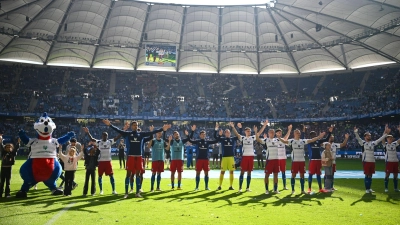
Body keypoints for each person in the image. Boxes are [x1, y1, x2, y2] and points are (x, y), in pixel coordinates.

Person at [103, 119, 169, 198]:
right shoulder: (128, 134)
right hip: (131, 157)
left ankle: (137, 192)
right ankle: (126, 193)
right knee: (128, 175)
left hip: (139, 157)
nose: (135, 126)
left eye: (136, 125)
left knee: (138, 175)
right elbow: (118, 130)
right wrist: (110, 125)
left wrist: (162, 129)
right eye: (134, 125)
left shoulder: (141, 134)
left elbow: (151, 133)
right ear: (131, 126)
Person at [279, 129, 325, 195]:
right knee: (293, 175)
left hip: (302, 161)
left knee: (302, 175)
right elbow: (284, 141)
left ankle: (302, 190)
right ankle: (293, 190)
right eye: (297, 133)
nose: (299, 134)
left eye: (299, 133)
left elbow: (311, 140)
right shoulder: (291, 141)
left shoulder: (303, 141)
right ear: (294, 134)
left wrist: (318, 137)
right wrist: (279, 137)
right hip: (295, 161)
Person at [83, 127, 120, 195]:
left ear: (107, 136)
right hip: (101, 161)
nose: (104, 136)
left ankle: (114, 190)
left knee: (111, 175)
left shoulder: (110, 142)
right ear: (102, 136)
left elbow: (117, 137)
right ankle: (101, 190)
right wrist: (88, 132)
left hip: (108, 161)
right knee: (100, 176)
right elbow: (92, 139)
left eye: (106, 135)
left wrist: (124, 130)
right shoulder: (99, 142)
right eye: (103, 135)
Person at [354, 125, 390, 193]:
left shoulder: (373, 143)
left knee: (370, 175)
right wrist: (356, 132)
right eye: (368, 135)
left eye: (370, 135)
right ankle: (367, 189)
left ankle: (369, 188)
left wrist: (386, 134)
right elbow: (358, 138)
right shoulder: (363, 143)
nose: (369, 136)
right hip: (366, 161)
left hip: (372, 161)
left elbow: (380, 139)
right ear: (365, 137)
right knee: (367, 174)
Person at [255, 121, 282, 194]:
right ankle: (267, 190)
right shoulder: (266, 140)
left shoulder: (277, 140)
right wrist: (256, 132)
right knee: (267, 175)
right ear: (268, 133)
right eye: (271, 132)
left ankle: (275, 189)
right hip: (269, 160)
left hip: (276, 160)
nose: (272, 133)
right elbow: (258, 139)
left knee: (276, 175)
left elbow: (285, 141)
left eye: (273, 132)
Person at [189, 125, 219, 190]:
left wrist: (216, 131)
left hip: (205, 159)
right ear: (200, 135)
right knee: (198, 173)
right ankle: (197, 187)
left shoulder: (207, 142)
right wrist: (192, 131)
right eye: (202, 134)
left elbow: (216, 141)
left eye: (204, 134)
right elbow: (190, 140)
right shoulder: (197, 141)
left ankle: (206, 187)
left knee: (206, 173)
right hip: (199, 159)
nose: (203, 135)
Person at [305, 125, 333, 194]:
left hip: (318, 160)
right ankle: (309, 189)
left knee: (318, 174)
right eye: (313, 135)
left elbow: (326, 140)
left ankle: (320, 189)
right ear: (311, 136)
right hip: (312, 160)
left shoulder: (318, 141)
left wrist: (329, 132)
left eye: (315, 134)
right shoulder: (309, 142)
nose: (315, 136)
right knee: (311, 174)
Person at [231, 122, 256, 192]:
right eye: (248, 131)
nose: (249, 132)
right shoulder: (243, 138)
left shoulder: (252, 138)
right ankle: (240, 188)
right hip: (245, 157)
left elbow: (258, 134)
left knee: (249, 172)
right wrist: (233, 127)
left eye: (250, 131)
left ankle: (247, 188)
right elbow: (237, 134)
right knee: (242, 172)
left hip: (251, 157)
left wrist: (265, 125)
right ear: (245, 132)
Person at [214, 122, 238, 190]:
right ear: (224, 134)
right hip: (224, 157)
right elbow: (215, 137)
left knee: (231, 171)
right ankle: (220, 186)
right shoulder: (222, 139)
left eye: (228, 132)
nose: (227, 133)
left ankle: (231, 186)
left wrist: (234, 127)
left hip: (231, 157)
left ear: (230, 133)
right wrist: (216, 130)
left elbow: (239, 135)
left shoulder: (233, 139)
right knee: (222, 171)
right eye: (226, 132)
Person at [382, 127, 400, 192]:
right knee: (387, 175)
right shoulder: (385, 145)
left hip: (395, 162)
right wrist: (385, 132)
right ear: (387, 139)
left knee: (396, 175)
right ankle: (386, 188)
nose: (390, 139)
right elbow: (382, 139)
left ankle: (395, 188)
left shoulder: (394, 144)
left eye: (391, 138)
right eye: (389, 138)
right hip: (389, 162)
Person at [275, 126, 292, 190]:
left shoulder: (283, 140)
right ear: (276, 133)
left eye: (281, 132)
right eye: (279, 132)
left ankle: (284, 186)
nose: (280, 133)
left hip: (283, 158)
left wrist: (289, 130)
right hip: (277, 159)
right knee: (276, 173)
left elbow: (287, 136)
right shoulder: (274, 140)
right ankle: (275, 187)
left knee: (283, 172)